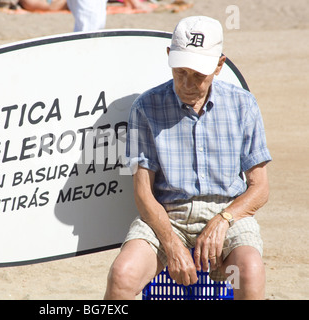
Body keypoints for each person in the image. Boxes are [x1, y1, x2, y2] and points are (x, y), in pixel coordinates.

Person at [104, 16, 272, 300]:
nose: (187, 83)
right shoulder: (146, 107)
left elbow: (260, 188)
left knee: (250, 272)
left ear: (219, 65)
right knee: (122, 275)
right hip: (167, 216)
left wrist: (223, 220)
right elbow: (143, 193)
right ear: (169, 57)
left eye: (199, 75)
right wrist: (171, 244)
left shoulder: (243, 105)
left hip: (229, 213)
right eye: (180, 72)